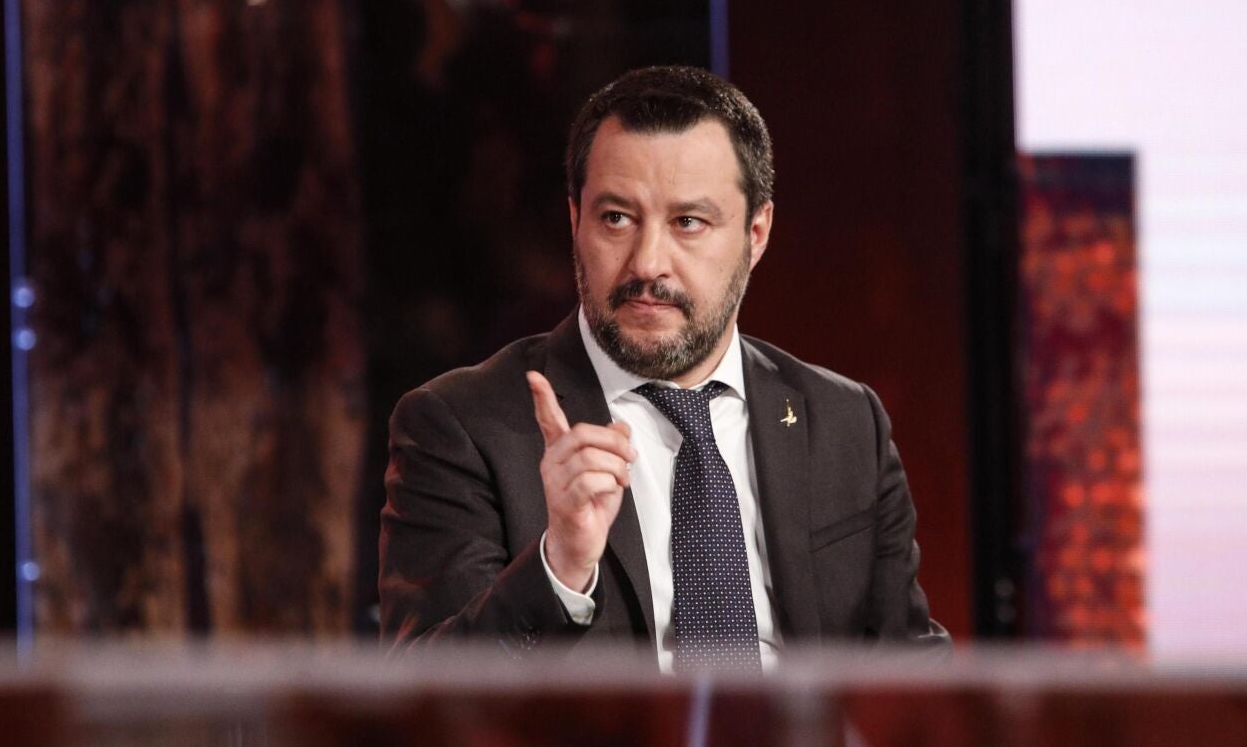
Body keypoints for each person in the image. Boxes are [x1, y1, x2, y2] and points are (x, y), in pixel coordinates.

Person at [379, 66, 948, 671]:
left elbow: (915, 677)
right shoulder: (462, 426)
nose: (648, 263)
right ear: (575, 221)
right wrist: (559, 569)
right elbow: (423, 698)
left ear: (756, 234)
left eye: (688, 222)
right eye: (616, 218)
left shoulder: (844, 421)